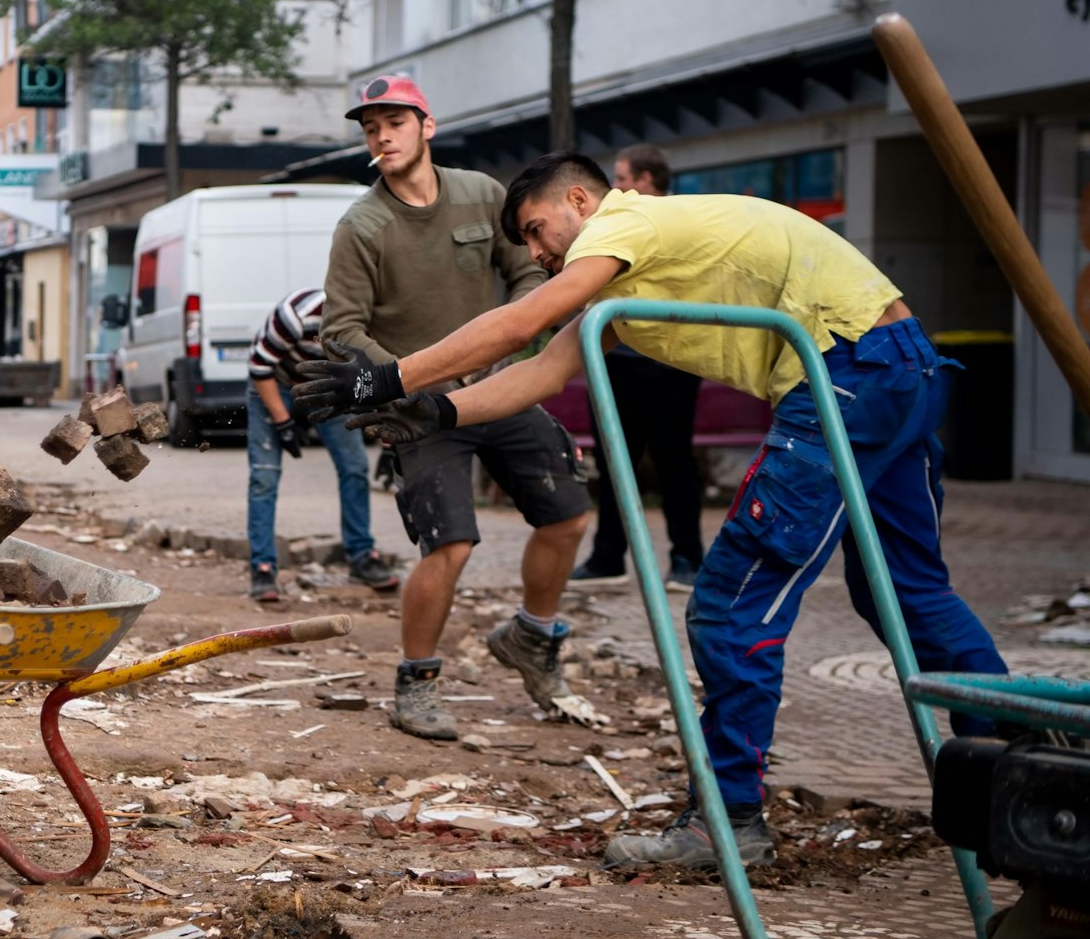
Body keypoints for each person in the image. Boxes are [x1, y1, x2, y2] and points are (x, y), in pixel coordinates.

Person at [295, 151, 1009, 868]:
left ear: (581, 199)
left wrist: (385, 377)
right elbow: (542, 368)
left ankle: (727, 821)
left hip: (846, 371)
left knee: (730, 603)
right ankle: (1018, 763)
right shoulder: (626, 280)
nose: (538, 254)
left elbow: (521, 324)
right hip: (900, 366)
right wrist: (438, 411)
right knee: (905, 592)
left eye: (540, 232)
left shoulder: (628, 219)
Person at [320, 74, 593, 743]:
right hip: (420, 410)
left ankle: (532, 636)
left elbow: (531, 269)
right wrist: (411, 386)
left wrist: (512, 336)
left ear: (427, 127)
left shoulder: (481, 194)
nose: (381, 135)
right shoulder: (363, 226)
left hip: (500, 387)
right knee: (452, 542)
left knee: (569, 515)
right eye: (370, 126)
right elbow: (341, 330)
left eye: (395, 121)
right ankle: (416, 682)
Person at [571, 144, 706, 592]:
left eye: (623, 178)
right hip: (619, 363)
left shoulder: (676, 225)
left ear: (647, 181)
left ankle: (687, 559)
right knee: (614, 462)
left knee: (675, 464)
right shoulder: (617, 228)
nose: (616, 187)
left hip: (669, 366)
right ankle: (609, 557)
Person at [246, 288, 401, 602]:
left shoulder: (376, 325)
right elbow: (259, 368)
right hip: (275, 386)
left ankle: (362, 556)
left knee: (355, 468)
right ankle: (262, 567)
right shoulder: (294, 316)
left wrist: (388, 444)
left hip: (330, 390)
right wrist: (283, 422)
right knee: (265, 475)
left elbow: (381, 382)